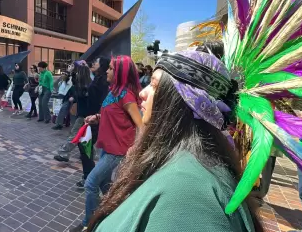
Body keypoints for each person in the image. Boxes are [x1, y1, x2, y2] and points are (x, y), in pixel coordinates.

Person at [81, 51, 261, 232]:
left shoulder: (189, 193)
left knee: (91, 183)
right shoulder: (183, 162)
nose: (143, 93)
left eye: (154, 85)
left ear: (185, 100)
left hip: (116, 150)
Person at [70, 55, 143, 232]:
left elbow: (141, 125)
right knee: (105, 186)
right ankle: (115, 215)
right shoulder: (114, 91)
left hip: (118, 149)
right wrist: (97, 117)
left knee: (91, 183)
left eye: (111, 68)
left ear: (119, 72)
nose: (107, 71)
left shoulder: (126, 95)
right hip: (107, 146)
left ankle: (89, 224)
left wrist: (137, 148)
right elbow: (114, 114)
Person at [76, 56, 110, 188]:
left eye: (96, 62)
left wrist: (97, 116)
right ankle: (90, 175)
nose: (94, 63)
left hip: (96, 119)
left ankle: (90, 177)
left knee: (84, 145)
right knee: (84, 145)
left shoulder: (104, 82)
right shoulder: (96, 78)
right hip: (90, 116)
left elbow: (102, 101)